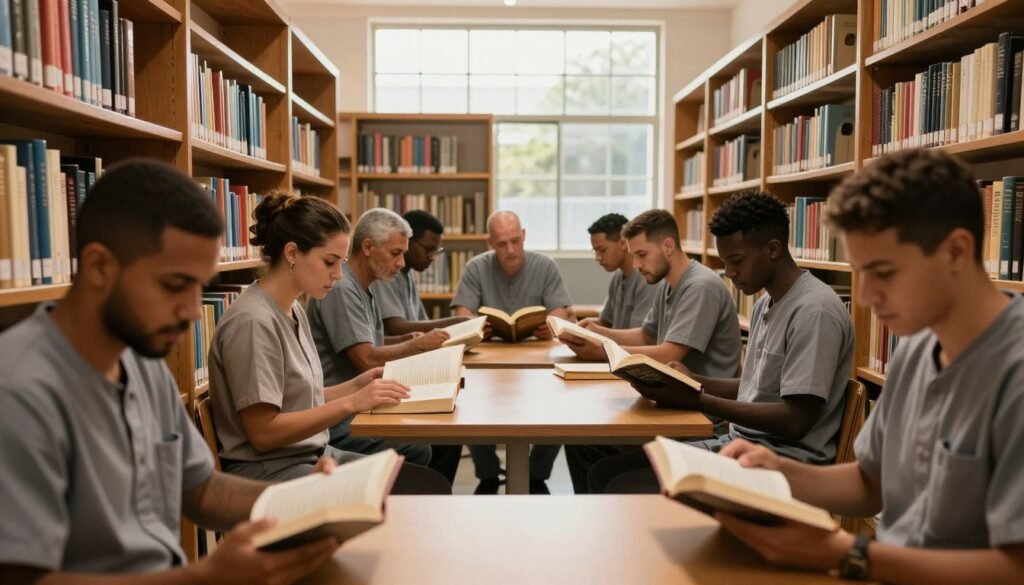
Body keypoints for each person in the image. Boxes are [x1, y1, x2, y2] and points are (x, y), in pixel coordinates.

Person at [0, 160, 339, 584]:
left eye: (201, 287)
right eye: (175, 285)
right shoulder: (19, 390)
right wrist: (204, 578)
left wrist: (306, 498)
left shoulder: (142, 365)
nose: (194, 311)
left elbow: (201, 489)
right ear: (100, 266)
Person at [716, 150, 1024, 584]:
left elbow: (1015, 568)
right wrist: (778, 471)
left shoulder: (1014, 372)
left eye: (884, 272)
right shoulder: (917, 349)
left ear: (957, 251)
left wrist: (850, 554)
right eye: (861, 274)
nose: (866, 298)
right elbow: (870, 483)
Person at [570, 192, 854, 494]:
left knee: (618, 483)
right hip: (739, 446)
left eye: (736, 262)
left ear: (773, 249)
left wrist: (698, 399)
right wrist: (692, 382)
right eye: (725, 262)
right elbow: (751, 387)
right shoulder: (766, 304)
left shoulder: (814, 311)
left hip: (781, 465)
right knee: (604, 471)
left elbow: (796, 419)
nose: (729, 274)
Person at [208, 191, 450, 494]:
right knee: (418, 489)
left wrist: (357, 384)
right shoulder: (253, 322)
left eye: (342, 262)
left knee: (427, 483)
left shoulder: (292, 308)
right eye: (330, 262)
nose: (338, 275)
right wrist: (352, 402)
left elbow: (300, 398)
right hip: (271, 472)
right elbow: (264, 433)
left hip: (311, 455)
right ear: (293, 253)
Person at [306, 208, 449, 468]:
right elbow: (367, 360)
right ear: (369, 247)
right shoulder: (342, 288)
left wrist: (406, 339)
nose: (402, 263)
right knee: (420, 446)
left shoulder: (365, 287)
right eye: (396, 253)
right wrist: (414, 345)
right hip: (337, 411)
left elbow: (372, 344)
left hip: (361, 399)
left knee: (441, 430)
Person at [451, 210, 574, 494]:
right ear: (488, 242)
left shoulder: (545, 266)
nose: (510, 250)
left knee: (561, 403)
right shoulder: (475, 267)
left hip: (538, 357)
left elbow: (561, 316)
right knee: (466, 399)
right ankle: (488, 472)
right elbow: (461, 318)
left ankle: (536, 473)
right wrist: (477, 327)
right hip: (488, 358)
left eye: (515, 241)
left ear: (525, 236)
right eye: (501, 244)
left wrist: (551, 327)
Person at [560, 209, 740, 376]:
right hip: (676, 393)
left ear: (668, 246)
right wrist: (597, 331)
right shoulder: (667, 284)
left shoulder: (701, 286)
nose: (636, 265)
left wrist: (604, 351)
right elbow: (646, 336)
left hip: (704, 405)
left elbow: (669, 355)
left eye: (642, 254)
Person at [372, 209, 468, 335]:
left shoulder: (408, 273)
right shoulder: (387, 271)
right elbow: (396, 327)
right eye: (429, 249)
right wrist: (457, 323)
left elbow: (423, 322)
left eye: (435, 251)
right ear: (407, 241)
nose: (432, 257)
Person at [586, 213, 658, 329]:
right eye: (595, 251)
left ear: (623, 243)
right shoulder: (618, 278)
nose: (598, 258)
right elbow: (605, 322)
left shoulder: (646, 279)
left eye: (602, 250)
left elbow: (640, 336)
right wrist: (574, 327)